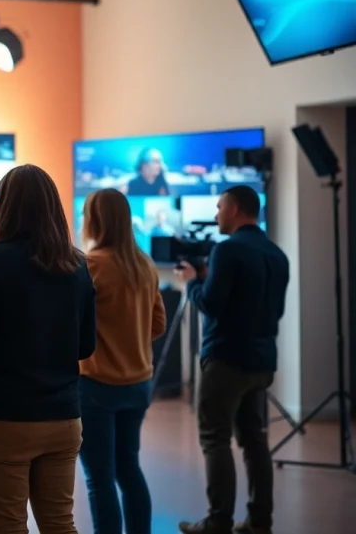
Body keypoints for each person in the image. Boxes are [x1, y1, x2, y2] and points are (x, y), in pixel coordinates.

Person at [0, 164, 96, 534]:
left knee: (6, 525)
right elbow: (85, 346)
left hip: (3, 417)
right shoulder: (77, 264)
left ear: (3, 207)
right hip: (63, 416)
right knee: (59, 524)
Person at [176, 186, 289, 534]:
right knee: (255, 440)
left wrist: (193, 283)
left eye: (219, 206)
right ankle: (259, 520)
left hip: (225, 361)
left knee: (215, 438)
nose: (216, 214)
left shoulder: (227, 251)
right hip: (262, 361)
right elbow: (270, 308)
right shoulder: (276, 254)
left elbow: (210, 305)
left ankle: (218, 521)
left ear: (236, 208)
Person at [78, 188, 167, 534]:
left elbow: (74, 327)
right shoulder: (144, 264)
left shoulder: (90, 265)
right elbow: (157, 324)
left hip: (96, 386)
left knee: (99, 478)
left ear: (93, 220)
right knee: (129, 468)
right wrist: (128, 337)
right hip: (139, 384)